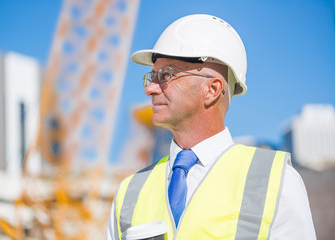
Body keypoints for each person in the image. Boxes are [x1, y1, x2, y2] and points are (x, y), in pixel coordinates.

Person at [107, 14, 316, 240]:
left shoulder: (277, 181)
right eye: (152, 76)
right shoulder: (129, 193)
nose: (150, 89)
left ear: (212, 89)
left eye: (166, 74)